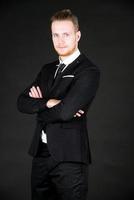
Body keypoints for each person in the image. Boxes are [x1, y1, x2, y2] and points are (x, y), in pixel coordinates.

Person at [17, 9, 100, 200]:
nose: (60, 40)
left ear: (77, 35)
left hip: (69, 158)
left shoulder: (88, 71)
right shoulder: (47, 69)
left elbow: (65, 112)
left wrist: (40, 106)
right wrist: (49, 102)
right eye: (55, 35)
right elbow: (21, 102)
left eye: (66, 34)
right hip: (40, 155)